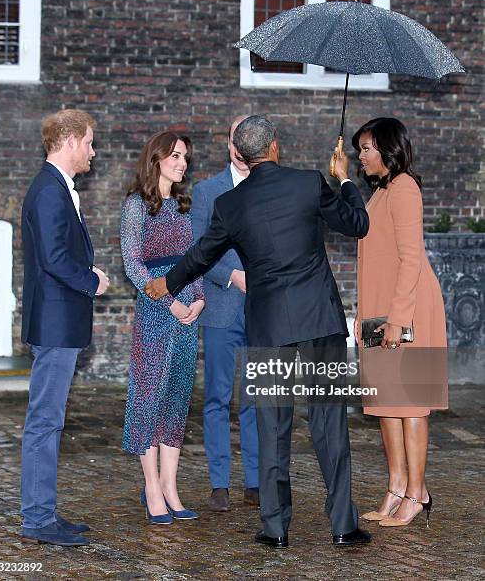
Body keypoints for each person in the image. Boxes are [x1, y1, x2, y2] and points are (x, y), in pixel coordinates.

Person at [145, 115, 372, 548]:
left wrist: (166, 283)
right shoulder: (308, 183)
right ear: (274, 147)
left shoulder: (231, 206)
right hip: (319, 323)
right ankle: (343, 526)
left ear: (240, 153)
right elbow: (357, 223)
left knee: (272, 427)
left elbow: (201, 256)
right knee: (329, 426)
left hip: (267, 326)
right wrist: (343, 180)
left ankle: (275, 528)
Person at [345, 117, 447, 527]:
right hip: (381, 312)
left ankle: (417, 492)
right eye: (359, 149)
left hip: (410, 310)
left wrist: (396, 320)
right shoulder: (380, 192)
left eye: (367, 147)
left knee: (411, 406)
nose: (361, 155)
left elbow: (409, 260)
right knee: (386, 404)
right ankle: (396, 487)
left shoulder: (404, 188)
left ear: (388, 149)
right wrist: (364, 314)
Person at [20, 109, 110, 547]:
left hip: (59, 321)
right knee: (45, 421)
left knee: (50, 420)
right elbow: (54, 258)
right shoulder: (50, 190)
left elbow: (55, 253)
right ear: (71, 140)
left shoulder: (54, 188)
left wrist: (85, 268)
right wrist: (91, 280)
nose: (93, 151)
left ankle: (43, 512)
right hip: (55, 323)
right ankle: (37, 519)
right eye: (90, 142)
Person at [121, 131, 205, 525]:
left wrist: (199, 298)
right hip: (157, 310)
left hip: (188, 309)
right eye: (175, 156)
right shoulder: (137, 206)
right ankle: (151, 488)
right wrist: (171, 302)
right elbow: (133, 265)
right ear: (155, 158)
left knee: (175, 398)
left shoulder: (185, 207)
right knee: (149, 396)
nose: (182, 163)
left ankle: (171, 487)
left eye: (185, 157)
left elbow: (195, 257)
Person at [191, 115, 259, 512]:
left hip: (264, 308)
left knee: (257, 396)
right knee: (217, 396)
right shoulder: (207, 191)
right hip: (221, 306)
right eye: (238, 138)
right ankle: (220, 484)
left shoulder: (270, 186)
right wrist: (232, 274)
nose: (243, 146)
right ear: (230, 144)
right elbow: (199, 250)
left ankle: (255, 480)